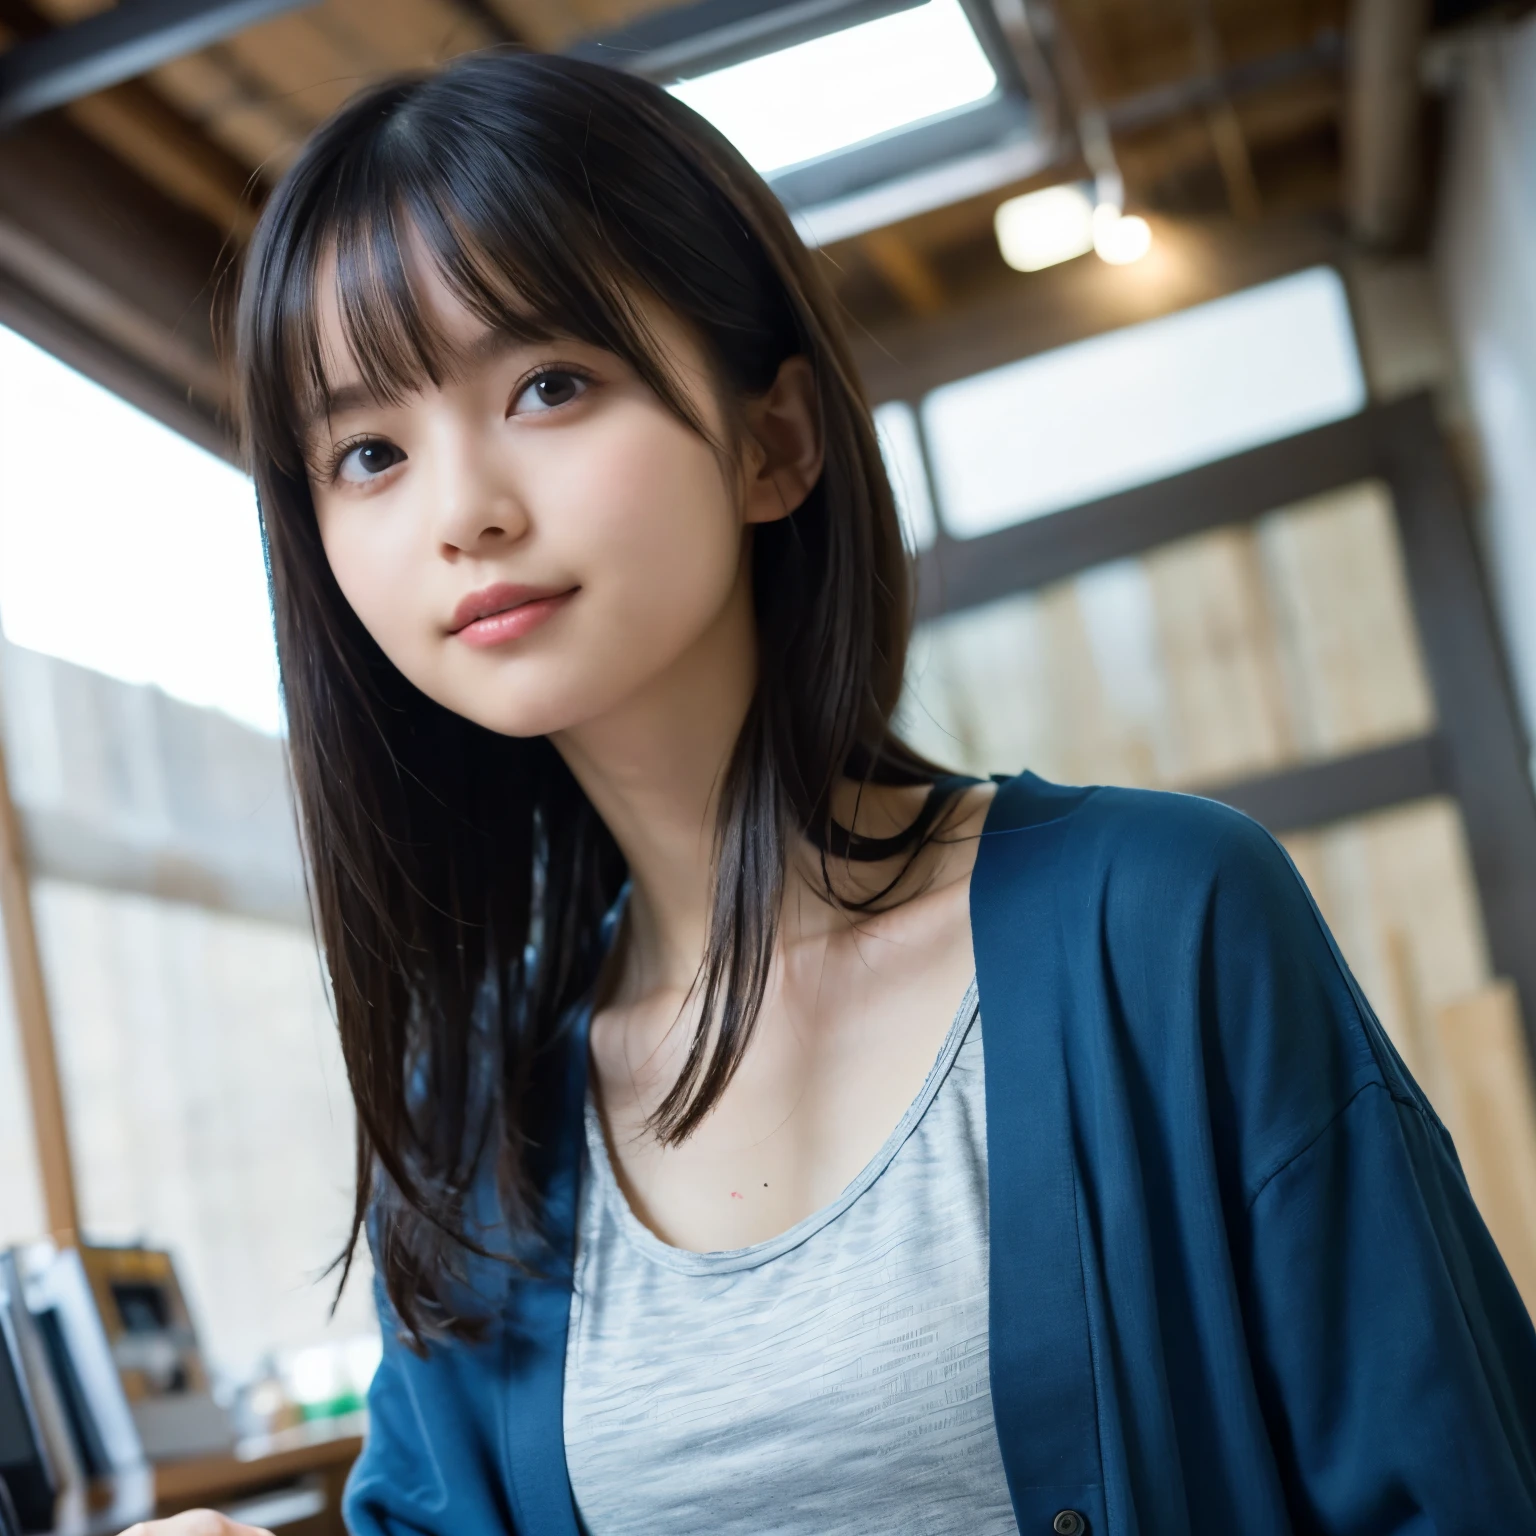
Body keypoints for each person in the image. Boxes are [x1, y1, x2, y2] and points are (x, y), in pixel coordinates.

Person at [125, 49, 1536, 1536]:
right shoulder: (481, 1112)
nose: (461, 507)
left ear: (774, 441)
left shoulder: (1168, 919)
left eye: (549, 383)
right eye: (368, 451)